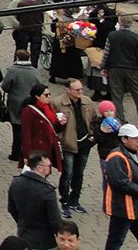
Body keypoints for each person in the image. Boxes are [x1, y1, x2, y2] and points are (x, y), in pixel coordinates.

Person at [52, 78, 97, 217]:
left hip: (85, 142)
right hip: (68, 143)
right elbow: (53, 123)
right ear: (68, 90)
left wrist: (92, 137)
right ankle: (64, 201)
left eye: (81, 89)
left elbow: (95, 120)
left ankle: (75, 200)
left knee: (79, 173)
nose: (80, 92)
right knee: (67, 173)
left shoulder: (87, 101)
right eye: (77, 89)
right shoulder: (58, 103)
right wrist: (60, 137)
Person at [8, 151, 62, 250]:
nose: (50, 168)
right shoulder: (47, 190)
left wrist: (22, 222)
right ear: (39, 168)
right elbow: (55, 220)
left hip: (24, 235)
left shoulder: (16, 183)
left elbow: (11, 209)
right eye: (49, 166)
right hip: (45, 241)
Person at [3, 49, 42, 162]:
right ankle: (28, 152)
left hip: (15, 103)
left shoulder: (12, 70)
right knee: (28, 128)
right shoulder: (34, 71)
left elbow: (5, 86)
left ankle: (15, 153)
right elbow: (39, 86)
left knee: (17, 128)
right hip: (30, 103)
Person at [105, 123, 138, 249]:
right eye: (134, 138)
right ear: (124, 139)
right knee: (115, 241)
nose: (137, 141)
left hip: (135, 207)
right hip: (123, 209)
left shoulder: (134, 153)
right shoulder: (116, 157)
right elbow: (120, 183)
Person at [20, 84, 64, 172]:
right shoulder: (28, 111)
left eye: (50, 94)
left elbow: (54, 129)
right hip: (36, 149)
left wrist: (61, 123)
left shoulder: (49, 108)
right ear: (37, 96)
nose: (49, 97)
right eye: (46, 95)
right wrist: (27, 155)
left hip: (48, 147)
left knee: (45, 172)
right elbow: (26, 134)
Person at [103, 14, 138, 121]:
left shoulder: (112, 35)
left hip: (115, 68)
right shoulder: (135, 37)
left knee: (117, 96)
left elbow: (106, 53)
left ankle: (121, 121)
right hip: (132, 69)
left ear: (120, 22)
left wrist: (103, 66)